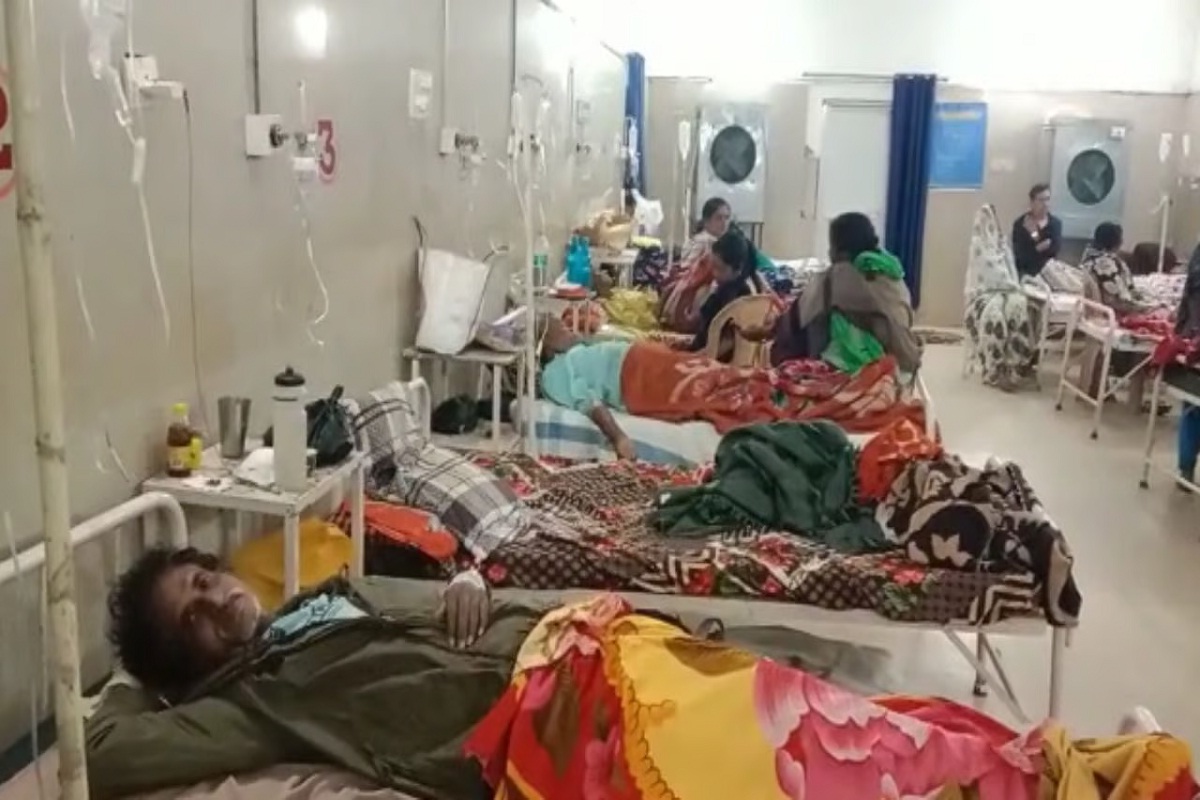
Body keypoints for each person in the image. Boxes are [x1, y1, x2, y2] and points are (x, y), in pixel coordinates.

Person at [743, 212, 921, 375]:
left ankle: (814, 372)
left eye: (832, 246)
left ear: (841, 250)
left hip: (855, 370)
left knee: (809, 322)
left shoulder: (838, 276)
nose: (829, 253)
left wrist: (768, 330)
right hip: (902, 364)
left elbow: (796, 316)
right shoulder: (893, 274)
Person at [963, 205, 1038, 391]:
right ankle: (995, 369)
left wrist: (1010, 288)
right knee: (994, 317)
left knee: (1018, 309)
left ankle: (1015, 366)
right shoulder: (978, 245)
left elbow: (1010, 271)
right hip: (983, 294)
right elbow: (988, 272)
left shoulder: (1003, 245)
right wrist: (1006, 286)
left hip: (1008, 290)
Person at [686, 230, 772, 356]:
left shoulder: (736, 295)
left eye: (720, 269)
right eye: (713, 266)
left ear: (738, 269)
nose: (714, 273)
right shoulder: (743, 285)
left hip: (715, 359)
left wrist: (698, 357)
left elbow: (730, 340)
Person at [659, 197, 732, 332]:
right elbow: (688, 269)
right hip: (693, 289)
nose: (724, 223)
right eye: (719, 218)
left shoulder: (716, 241)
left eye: (727, 218)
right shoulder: (704, 241)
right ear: (706, 221)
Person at [1080, 222, 1152, 316]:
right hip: (1116, 313)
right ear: (1115, 242)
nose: (1122, 241)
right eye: (1120, 238)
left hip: (1104, 306)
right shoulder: (1106, 266)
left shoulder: (1089, 256)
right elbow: (1118, 301)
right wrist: (1147, 307)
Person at [1011, 183, 1062, 278]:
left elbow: (1054, 250)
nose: (1045, 204)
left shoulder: (1055, 224)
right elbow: (1020, 256)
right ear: (1032, 202)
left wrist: (1034, 236)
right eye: (1041, 200)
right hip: (1026, 272)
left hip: (1049, 273)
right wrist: (1038, 248)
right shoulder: (1020, 224)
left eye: (1048, 199)